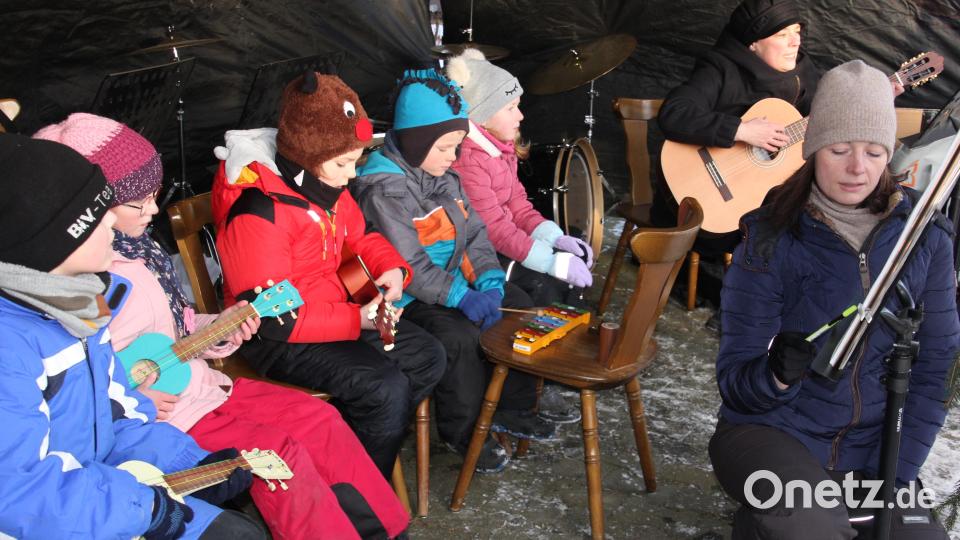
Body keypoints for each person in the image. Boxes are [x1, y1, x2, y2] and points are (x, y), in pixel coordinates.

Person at [35, 112, 412, 540]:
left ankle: (386, 532)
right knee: (278, 457)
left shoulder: (141, 252)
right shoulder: (77, 277)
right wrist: (125, 398)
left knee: (319, 419)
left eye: (154, 194)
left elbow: (171, 328)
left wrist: (217, 326)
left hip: (202, 385)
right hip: (165, 418)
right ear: (91, 209)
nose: (154, 209)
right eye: (138, 202)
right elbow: (67, 380)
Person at [710, 60, 959, 539]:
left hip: (871, 447)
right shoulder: (770, 238)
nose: (856, 168)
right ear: (814, 150)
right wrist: (776, 377)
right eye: (840, 149)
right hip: (767, 433)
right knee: (814, 522)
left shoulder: (925, 239)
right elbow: (736, 383)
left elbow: (935, 373)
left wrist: (897, 477)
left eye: (872, 151)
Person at [0, 134, 261, 539]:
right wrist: (145, 509)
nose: (111, 222)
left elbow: (119, 413)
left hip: (98, 492)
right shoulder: (10, 347)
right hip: (53, 518)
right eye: (94, 216)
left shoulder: (80, 305)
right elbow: (19, 492)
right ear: (48, 245)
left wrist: (188, 465)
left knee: (240, 532)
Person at [211, 72, 446, 482]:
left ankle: (348, 453)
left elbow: (362, 237)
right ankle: (355, 492)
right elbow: (275, 318)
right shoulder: (258, 211)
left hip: (342, 307)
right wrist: (357, 321)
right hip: (280, 337)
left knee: (427, 357)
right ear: (305, 155)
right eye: (343, 163)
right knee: (384, 389)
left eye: (355, 161)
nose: (352, 175)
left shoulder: (325, 186)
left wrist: (392, 268)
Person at [352, 69, 557, 474]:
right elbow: (409, 264)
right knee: (458, 337)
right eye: (447, 147)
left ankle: (509, 405)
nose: (455, 156)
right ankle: (462, 432)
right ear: (417, 141)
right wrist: (462, 296)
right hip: (408, 297)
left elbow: (476, 232)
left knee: (519, 304)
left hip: (451, 283)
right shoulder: (384, 189)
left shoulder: (441, 173)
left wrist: (489, 280)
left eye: (458, 145)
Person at [444, 49, 589, 424]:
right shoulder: (469, 160)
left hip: (505, 244)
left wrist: (555, 238)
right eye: (511, 107)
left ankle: (547, 375)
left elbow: (519, 205)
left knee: (564, 288)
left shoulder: (499, 149)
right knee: (538, 292)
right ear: (482, 112)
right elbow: (494, 229)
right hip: (482, 254)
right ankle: (517, 399)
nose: (521, 115)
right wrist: (550, 260)